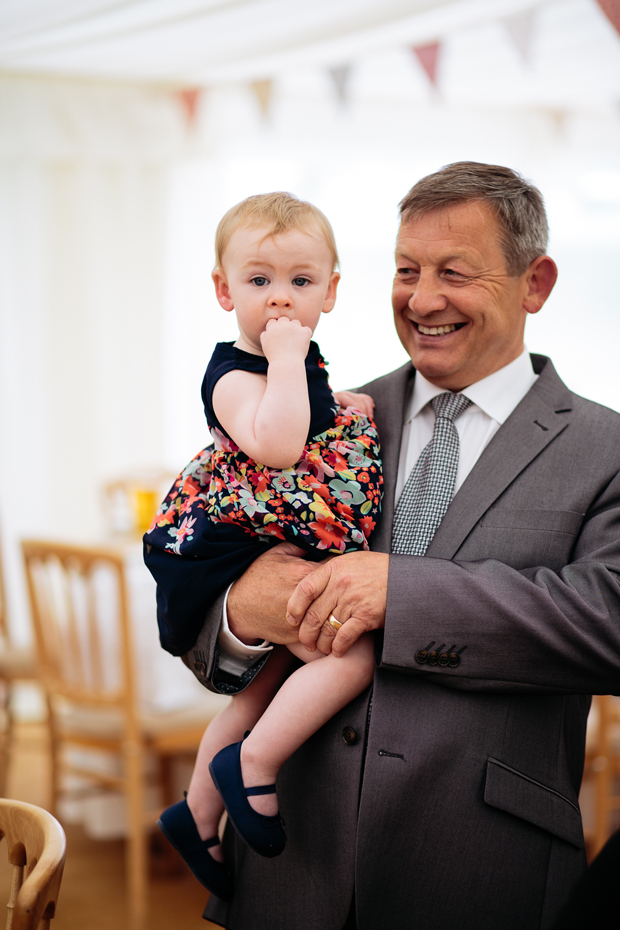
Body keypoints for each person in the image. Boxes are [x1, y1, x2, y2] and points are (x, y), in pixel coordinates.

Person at [144, 162, 620, 930]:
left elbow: (610, 622)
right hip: (288, 865)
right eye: (407, 270)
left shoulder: (607, 449)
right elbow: (209, 598)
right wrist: (243, 608)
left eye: (454, 273)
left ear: (535, 283)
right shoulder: (315, 417)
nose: (422, 298)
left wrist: (404, 592)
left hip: (477, 868)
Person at [147, 193, 382, 900]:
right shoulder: (231, 375)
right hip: (226, 548)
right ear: (224, 290)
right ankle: (252, 767)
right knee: (352, 654)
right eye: (259, 281)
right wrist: (289, 358)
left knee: (266, 683)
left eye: (301, 282)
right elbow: (279, 445)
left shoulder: (291, 367)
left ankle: (195, 812)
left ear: (331, 291)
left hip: (269, 536)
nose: (281, 300)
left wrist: (337, 400)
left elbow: (306, 414)